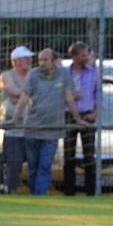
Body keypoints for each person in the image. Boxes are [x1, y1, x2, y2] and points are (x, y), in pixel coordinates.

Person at [4, 48, 88, 195]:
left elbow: (69, 97)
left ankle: (39, 195)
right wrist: (15, 119)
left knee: (45, 165)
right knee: (33, 166)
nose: (41, 63)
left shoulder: (63, 75)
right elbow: (24, 97)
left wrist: (77, 118)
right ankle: (34, 193)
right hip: (32, 128)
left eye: (45, 60)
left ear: (54, 61)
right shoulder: (34, 74)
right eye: (40, 60)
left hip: (53, 129)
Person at [63, 41, 98, 196]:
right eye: (83, 55)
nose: (86, 57)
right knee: (69, 154)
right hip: (69, 116)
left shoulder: (93, 72)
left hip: (88, 115)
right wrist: (69, 98)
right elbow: (59, 95)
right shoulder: (65, 73)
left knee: (89, 155)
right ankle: (69, 191)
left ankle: (91, 191)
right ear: (75, 56)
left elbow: (99, 94)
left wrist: (95, 112)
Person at [0, 46, 34, 194]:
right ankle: (11, 189)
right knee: (14, 160)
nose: (30, 61)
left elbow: (37, 94)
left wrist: (20, 96)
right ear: (16, 61)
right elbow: (12, 90)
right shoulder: (6, 75)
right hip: (12, 126)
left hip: (32, 125)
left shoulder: (33, 75)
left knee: (33, 161)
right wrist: (27, 95)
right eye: (26, 58)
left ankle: (34, 191)